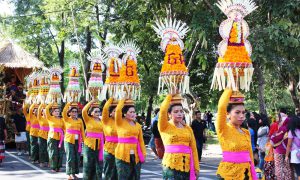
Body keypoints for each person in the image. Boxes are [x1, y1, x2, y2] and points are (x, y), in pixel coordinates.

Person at [216, 89, 256, 179]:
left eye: (243, 113)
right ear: (228, 114)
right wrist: (229, 88)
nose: (241, 116)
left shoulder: (246, 132)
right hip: (228, 174)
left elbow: (250, 156)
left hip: (246, 173)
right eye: (237, 112)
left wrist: (253, 176)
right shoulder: (223, 129)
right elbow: (221, 107)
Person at [159, 95, 199, 180]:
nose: (179, 114)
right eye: (176, 112)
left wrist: (196, 167)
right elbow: (162, 110)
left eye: (181, 111)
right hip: (170, 166)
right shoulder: (165, 126)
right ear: (169, 114)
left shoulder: (188, 128)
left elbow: (194, 148)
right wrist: (170, 96)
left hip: (187, 166)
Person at [115, 99, 146, 180]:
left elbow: (141, 141)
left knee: (135, 177)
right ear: (125, 114)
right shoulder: (120, 122)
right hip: (122, 155)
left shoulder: (138, 125)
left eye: (134, 112)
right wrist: (123, 99)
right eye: (130, 112)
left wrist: (143, 154)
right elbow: (118, 110)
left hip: (136, 156)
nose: (133, 114)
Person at [63, 103, 85, 180]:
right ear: (69, 113)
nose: (74, 113)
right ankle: (70, 173)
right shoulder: (67, 119)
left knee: (77, 157)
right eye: (73, 111)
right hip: (69, 141)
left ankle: (75, 173)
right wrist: (69, 103)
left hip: (77, 141)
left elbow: (82, 131)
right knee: (70, 157)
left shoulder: (80, 120)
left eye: (76, 111)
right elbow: (63, 112)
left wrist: (84, 140)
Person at [82, 100, 104, 180]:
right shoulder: (88, 119)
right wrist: (91, 102)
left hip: (99, 144)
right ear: (91, 112)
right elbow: (84, 110)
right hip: (89, 145)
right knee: (88, 164)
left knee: (97, 164)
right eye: (96, 111)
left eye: (99, 111)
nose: (98, 113)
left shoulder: (101, 121)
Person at [270, 108, 294, 180]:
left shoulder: (282, 128)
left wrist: (272, 138)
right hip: (287, 150)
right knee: (287, 167)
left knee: (278, 167)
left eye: (279, 118)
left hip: (279, 150)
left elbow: (274, 138)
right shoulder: (290, 128)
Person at [45, 103, 65, 172]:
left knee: (60, 152)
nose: (57, 112)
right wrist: (51, 104)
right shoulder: (50, 118)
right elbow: (47, 109)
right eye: (55, 111)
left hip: (60, 137)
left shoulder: (61, 119)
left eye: (58, 111)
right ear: (52, 112)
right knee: (53, 152)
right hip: (52, 137)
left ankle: (58, 167)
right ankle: (53, 167)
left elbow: (64, 128)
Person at [102, 98, 118, 179]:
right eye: (115, 111)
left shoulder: (122, 121)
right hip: (109, 150)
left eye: (118, 111)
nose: (117, 112)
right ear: (110, 113)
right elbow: (105, 109)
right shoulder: (106, 120)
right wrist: (111, 99)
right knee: (108, 171)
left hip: (120, 150)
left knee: (117, 172)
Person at [285, 115, 300, 180]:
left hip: (295, 154)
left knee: (298, 172)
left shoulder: (291, 132)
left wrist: (286, 156)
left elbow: (289, 145)